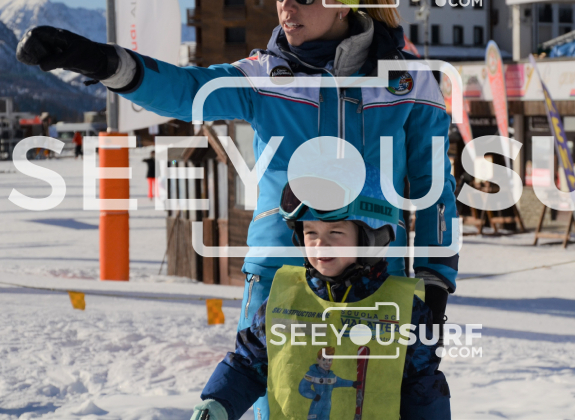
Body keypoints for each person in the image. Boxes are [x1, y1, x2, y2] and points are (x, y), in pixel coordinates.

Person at [15, 0, 457, 419]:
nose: (286, 6)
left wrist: (436, 278)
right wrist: (96, 59)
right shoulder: (263, 77)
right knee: (281, 406)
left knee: (376, 406)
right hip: (279, 280)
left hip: (379, 282)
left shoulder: (408, 82)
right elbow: (184, 90)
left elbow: (435, 189)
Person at [190, 170, 450, 420]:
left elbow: (422, 388)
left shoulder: (404, 309)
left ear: (372, 236)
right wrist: (217, 404)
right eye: (310, 233)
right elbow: (248, 364)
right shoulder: (285, 299)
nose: (319, 244)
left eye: (335, 233)